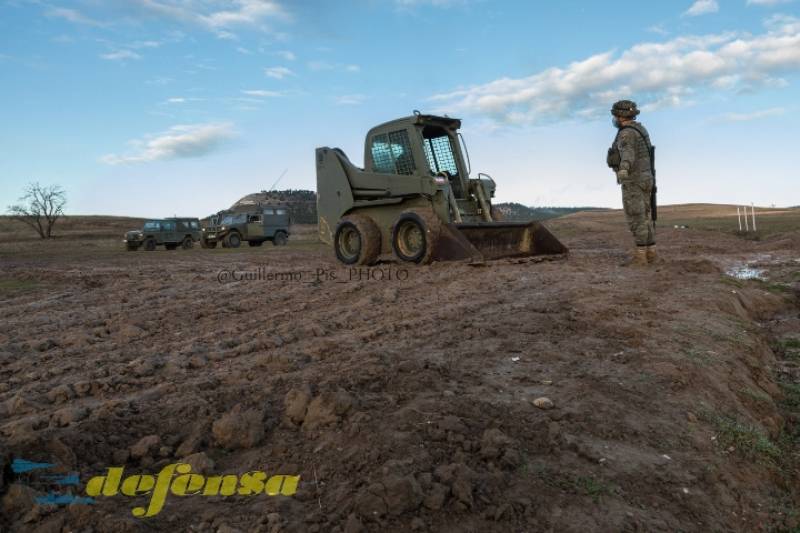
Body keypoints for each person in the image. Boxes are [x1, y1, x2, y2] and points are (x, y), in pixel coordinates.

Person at [607, 100, 656, 266]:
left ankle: (640, 257)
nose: (613, 118)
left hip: (634, 179)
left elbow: (628, 153)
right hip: (646, 178)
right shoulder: (640, 129)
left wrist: (623, 170)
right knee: (646, 216)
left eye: (615, 115)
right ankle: (651, 253)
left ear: (621, 116)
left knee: (636, 217)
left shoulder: (626, 133)